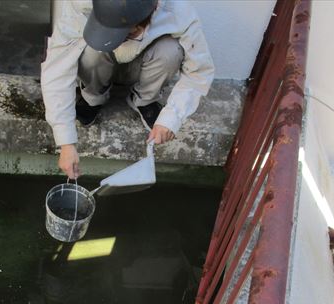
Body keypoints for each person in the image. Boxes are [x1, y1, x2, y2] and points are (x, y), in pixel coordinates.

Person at [41, 0, 214, 179]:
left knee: (171, 51)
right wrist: (66, 142)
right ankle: (93, 98)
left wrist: (172, 117)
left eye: (125, 34)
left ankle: (145, 100)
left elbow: (199, 72)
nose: (118, 41)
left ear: (150, 15)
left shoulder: (177, 9)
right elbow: (57, 69)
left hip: (143, 67)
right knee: (90, 48)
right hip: (100, 63)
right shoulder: (80, 4)